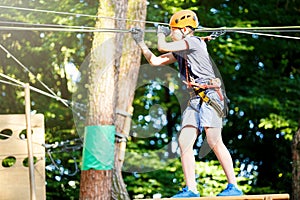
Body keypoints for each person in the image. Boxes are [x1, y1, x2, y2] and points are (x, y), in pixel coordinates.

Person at [131, 10, 243, 198]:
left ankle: (234, 186)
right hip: (194, 99)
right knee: (184, 142)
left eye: (172, 30)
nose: (170, 33)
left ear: (184, 30)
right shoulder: (183, 50)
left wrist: (160, 33)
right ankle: (191, 189)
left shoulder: (193, 42)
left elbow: (161, 47)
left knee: (214, 140)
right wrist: (140, 42)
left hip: (210, 95)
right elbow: (156, 60)